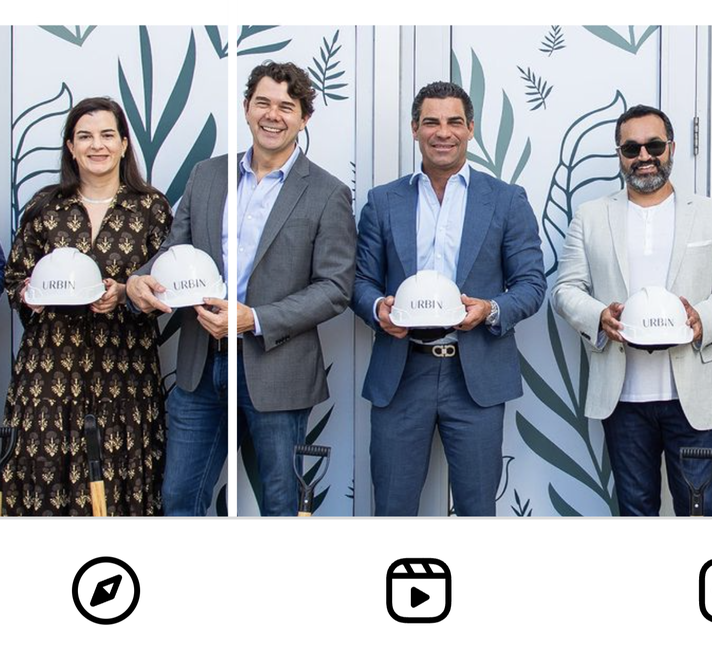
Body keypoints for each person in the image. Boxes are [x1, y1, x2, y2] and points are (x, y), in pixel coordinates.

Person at [128, 62, 356, 516]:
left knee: (279, 505)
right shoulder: (207, 175)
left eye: (286, 107)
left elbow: (335, 287)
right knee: (179, 499)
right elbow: (176, 251)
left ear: (304, 118)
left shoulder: (328, 192)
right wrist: (141, 278)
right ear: (247, 109)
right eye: (263, 103)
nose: (273, 115)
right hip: (199, 368)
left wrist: (255, 318)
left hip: (278, 371)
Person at [353, 81, 545, 516]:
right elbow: (360, 281)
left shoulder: (506, 200)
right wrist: (377, 308)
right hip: (401, 375)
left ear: (471, 129)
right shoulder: (382, 201)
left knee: (478, 510)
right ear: (414, 129)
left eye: (454, 122)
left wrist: (490, 310)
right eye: (431, 122)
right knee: (392, 510)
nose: (444, 132)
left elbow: (531, 284)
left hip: (474, 376)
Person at [551, 104, 712, 516]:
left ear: (672, 148)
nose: (644, 156)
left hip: (689, 397)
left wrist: (702, 320)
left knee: (699, 511)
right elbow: (566, 289)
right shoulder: (590, 217)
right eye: (631, 147)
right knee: (635, 513)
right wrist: (598, 317)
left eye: (654, 145)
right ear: (620, 155)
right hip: (622, 398)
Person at [2, 97, 171, 516]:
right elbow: (13, 281)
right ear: (70, 147)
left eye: (107, 135)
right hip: (49, 372)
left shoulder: (152, 208)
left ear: (125, 144)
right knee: (43, 480)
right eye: (85, 136)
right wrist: (34, 293)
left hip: (126, 376)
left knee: (122, 486)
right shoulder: (44, 206)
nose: (98, 145)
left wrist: (128, 295)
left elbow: (168, 289)